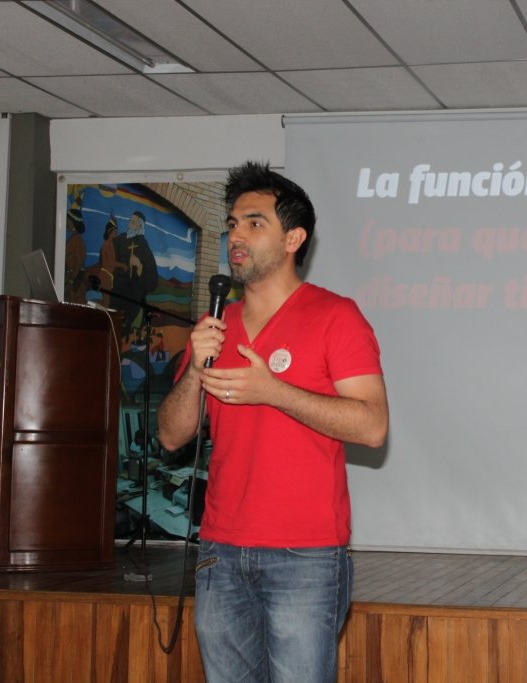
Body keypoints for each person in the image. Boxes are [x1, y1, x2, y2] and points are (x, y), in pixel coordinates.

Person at [157, 161, 388, 683]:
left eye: (254, 223)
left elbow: (373, 426)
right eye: (232, 224)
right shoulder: (215, 325)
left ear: (293, 238)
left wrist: (274, 392)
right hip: (220, 550)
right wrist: (194, 369)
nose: (236, 236)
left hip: (305, 554)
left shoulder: (336, 316)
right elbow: (171, 435)